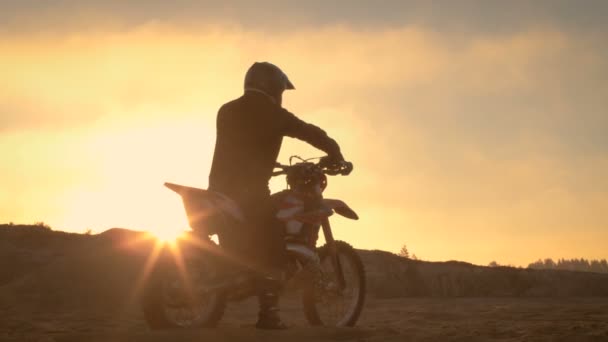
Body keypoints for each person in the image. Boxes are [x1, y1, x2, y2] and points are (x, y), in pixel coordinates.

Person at [208, 62, 345, 329]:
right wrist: (335, 152)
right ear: (272, 87)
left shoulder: (226, 110)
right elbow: (307, 131)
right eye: (281, 90)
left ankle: (238, 275)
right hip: (249, 193)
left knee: (241, 244)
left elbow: (244, 145)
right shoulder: (272, 113)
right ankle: (268, 314)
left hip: (218, 191)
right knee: (274, 241)